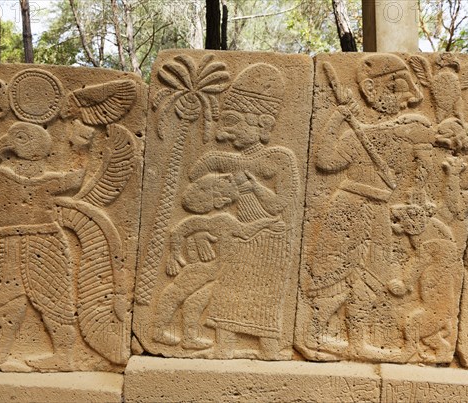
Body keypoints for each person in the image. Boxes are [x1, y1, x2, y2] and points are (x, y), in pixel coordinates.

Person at [303, 54, 435, 361]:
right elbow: (325, 162)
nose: (406, 102)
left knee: (371, 277)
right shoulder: (356, 137)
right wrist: (338, 116)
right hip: (348, 207)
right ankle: (312, 334)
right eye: (399, 93)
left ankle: (356, 342)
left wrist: (416, 189)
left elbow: (423, 168)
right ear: (375, 89)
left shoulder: (410, 130)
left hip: (377, 211)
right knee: (337, 273)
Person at [0, 109, 84, 370]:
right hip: (12, 242)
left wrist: (81, 145)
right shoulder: (6, 178)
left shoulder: (41, 180)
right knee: (8, 298)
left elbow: (78, 178)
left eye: (17, 137)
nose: (6, 140)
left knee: (54, 299)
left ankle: (64, 356)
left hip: (45, 243)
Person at [188, 63, 299, 359]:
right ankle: (224, 348)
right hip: (240, 235)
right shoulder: (233, 161)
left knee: (265, 295)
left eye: (235, 123)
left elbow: (279, 205)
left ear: (263, 124)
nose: (226, 134)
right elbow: (200, 171)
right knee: (228, 292)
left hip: (272, 240)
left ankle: (270, 349)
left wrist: (253, 186)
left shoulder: (280, 158)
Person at [153, 174, 284, 350]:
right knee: (176, 293)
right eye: (224, 182)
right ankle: (158, 330)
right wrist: (174, 256)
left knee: (195, 302)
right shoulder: (222, 220)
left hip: (218, 272)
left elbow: (181, 230)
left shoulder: (221, 218)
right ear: (219, 200)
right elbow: (244, 232)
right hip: (207, 269)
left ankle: (189, 338)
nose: (230, 178)